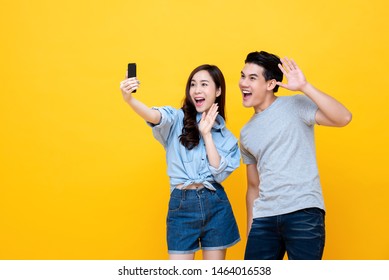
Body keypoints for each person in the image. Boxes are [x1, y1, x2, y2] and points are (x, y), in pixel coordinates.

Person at [239, 51, 352, 260]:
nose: (243, 83)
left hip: (303, 213)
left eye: (252, 78)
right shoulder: (246, 133)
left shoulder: (296, 105)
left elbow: (343, 117)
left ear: (271, 84)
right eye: (243, 76)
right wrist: (251, 231)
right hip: (264, 219)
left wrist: (305, 87)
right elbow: (253, 186)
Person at [120, 64, 240, 260]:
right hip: (181, 205)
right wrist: (130, 99)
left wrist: (207, 135)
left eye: (204, 84)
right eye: (193, 84)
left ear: (218, 91)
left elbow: (219, 173)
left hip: (216, 206)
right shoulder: (176, 119)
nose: (197, 90)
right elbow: (154, 116)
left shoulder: (226, 138)